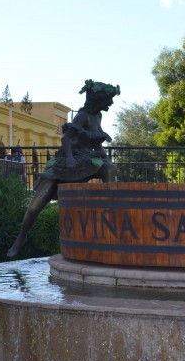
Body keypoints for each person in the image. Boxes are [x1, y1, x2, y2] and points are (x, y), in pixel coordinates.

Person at [6, 80, 119, 257]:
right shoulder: (82, 116)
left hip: (88, 159)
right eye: (108, 100)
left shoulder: (98, 117)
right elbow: (66, 139)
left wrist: (104, 156)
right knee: (36, 205)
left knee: (109, 168)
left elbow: (95, 141)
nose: (111, 103)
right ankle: (21, 238)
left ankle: (111, 216)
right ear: (98, 100)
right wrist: (70, 157)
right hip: (67, 160)